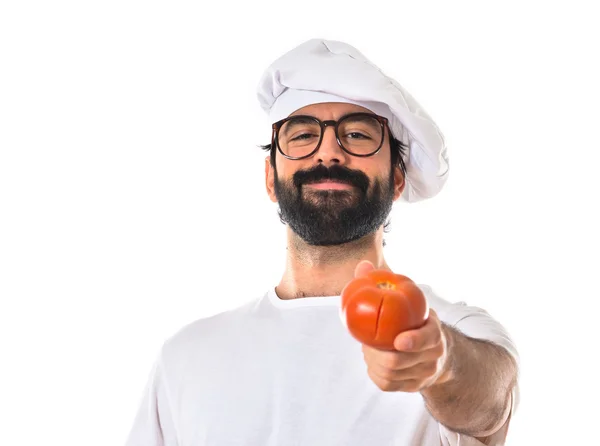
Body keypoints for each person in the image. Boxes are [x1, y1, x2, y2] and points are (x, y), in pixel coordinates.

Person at [125, 38, 520, 446]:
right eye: (301, 136)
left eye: (357, 134)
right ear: (270, 178)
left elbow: (489, 403)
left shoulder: (450, 329)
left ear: (397, 178)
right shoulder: (187, 357)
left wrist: (441, 363)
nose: (328, 152)